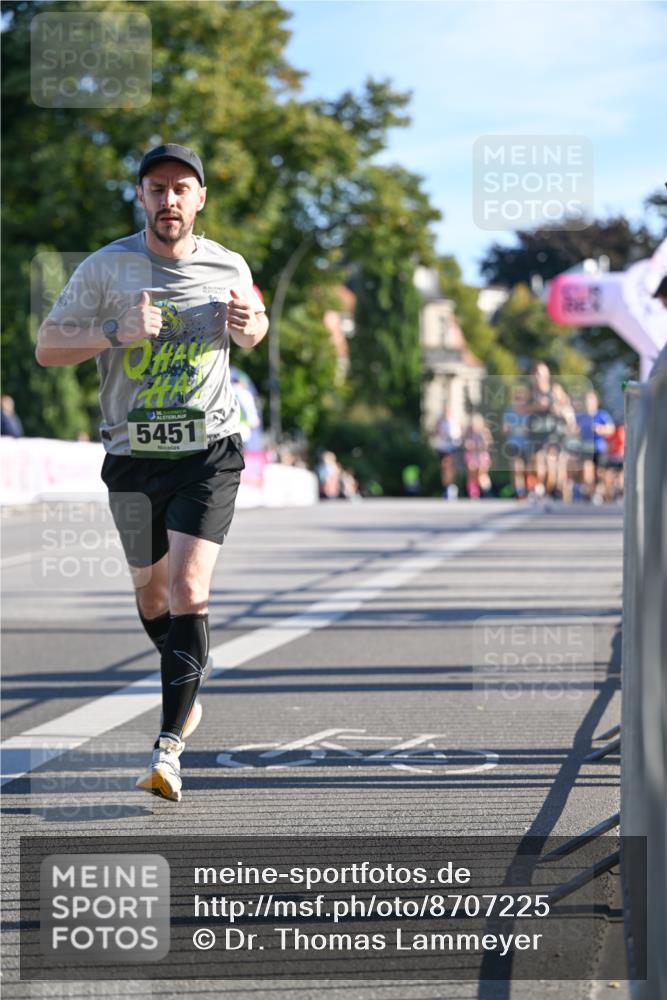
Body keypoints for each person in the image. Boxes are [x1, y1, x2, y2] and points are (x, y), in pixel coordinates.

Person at [35, 143, 268, 801]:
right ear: (141, 196)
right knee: (152, 596)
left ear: (200, 199)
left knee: (190, 592)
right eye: (157, 188)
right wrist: (115, 330)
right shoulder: (106, 268)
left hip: (208, 452)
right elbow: (48, 348)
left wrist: (254, 324)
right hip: (133, 456)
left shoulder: (228, 262)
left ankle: (169, 747)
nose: (169, 200)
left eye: (181, 189)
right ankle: (185, 668)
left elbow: (252, 327)